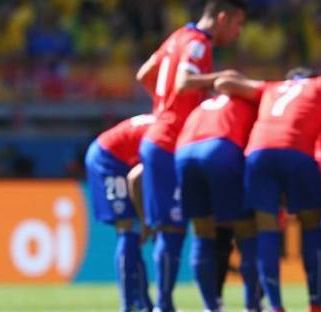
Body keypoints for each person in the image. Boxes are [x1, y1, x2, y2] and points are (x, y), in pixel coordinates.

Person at [214, 53, 321, 312]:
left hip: (258, 152)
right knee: (311, 226)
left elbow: (224, 82)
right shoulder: (319, 85)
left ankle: (274, 305)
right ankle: (315, 303)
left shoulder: (271, 87)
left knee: (266, 228)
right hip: (296, 152)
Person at [134, 1, 246, 310]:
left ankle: (211, 305)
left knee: (200, 224)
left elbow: (145, 73)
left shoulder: (178, 36)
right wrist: (220, 79)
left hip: (170, 138)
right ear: (222, 17)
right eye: (237, 24)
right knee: (174, 229)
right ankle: (164, 305)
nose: (237, 33)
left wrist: (162, 105)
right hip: (170, 142)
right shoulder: (198, 43)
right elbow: (183, 82)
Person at [173, 92, 260, 311]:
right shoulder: (249, 101)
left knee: (202, 232)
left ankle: (211, 306)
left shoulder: (204, 105)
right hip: (220, 148)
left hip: (184, 152)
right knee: (245, 229)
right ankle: (253, 305)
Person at [84, 114, 155, 312]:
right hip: (108, 160)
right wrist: (145, 221)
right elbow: (135, 178)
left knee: (133, 232)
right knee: (129, 229)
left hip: (118, 156)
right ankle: (130, 304)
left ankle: (143, 303)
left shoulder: (166, 123)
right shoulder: (169, 136)